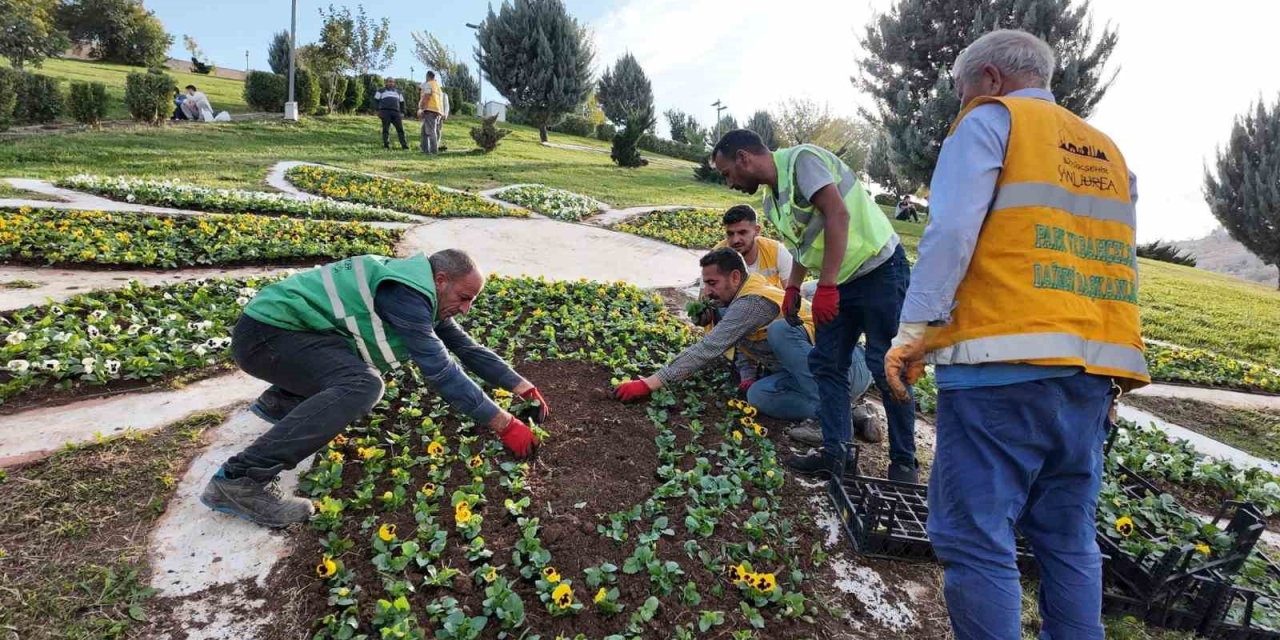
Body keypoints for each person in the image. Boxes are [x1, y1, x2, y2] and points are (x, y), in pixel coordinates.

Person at [882, 30, 1147, 640]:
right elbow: (1115, 263)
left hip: (1001, 366)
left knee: (975, 538)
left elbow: (949, 234)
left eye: (961, 90)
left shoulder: (990, 121)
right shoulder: (1107, 151)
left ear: (992, 79)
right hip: (1091, 375)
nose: (960, 103)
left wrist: (915, 330)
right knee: (1068, 539)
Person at [201, 250, 546, 528]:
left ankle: (283, 402)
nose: (466, 308)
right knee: (362, 385)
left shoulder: (417, 288)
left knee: (352, 373)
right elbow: (441, 370)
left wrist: (523, 387)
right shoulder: (406, 295)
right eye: (464, 297)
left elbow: (466, 348)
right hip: (267, 338)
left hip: (286, 334)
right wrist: (504, 424)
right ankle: (240, 479)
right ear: (441, 280)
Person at [712, 129, 918, 482]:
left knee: (886, 364)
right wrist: (793, 287)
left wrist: (824, 286)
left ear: (744, 158)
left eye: (727, 172)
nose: (729, 182)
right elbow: (803, 245)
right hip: (838, 281)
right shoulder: (771, 201)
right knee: (827, 365)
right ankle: (837, 455)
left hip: (878, 270)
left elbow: (838, 215)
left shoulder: (802, 161)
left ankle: (904, 465)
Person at [613, 248, 873, 426]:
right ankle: (848, 415)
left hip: (847, 367)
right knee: (758, 395)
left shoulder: (751, 302)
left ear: (735, 277)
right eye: (705, 284)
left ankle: (830, 417)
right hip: (810, 378)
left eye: (712, 283)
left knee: (780, 331)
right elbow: (745, 345)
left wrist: (648, 383)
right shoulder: (736, 299)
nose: (707, 291)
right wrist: (748, 377)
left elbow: (708, 348)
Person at [374, 78, 409, 150]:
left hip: (396, 112)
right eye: (390, 82)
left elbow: (402, 102)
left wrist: (402, 112)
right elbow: (375, 100)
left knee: (400, 129)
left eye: (393, 82)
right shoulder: (380, 90)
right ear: (386, 82)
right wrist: (377, 111)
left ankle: (404, 145)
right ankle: (386, 145)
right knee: (386, 129)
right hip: (385, 112)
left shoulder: (398, 92)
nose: (391, 83)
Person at [418, 71, 444, 154]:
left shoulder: (429, 84)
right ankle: (425, 150)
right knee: (424, 131)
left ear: (427, 76)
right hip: (436, 110)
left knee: (431, 131)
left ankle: (433, 151)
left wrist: (421, 108)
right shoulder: (437, 86)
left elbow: (427, 95)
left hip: (430, 110)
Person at [436, 88, 451, 152]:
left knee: (438, 132)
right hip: (432, 116)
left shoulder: (444, 95)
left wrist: (445, 114)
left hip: (440, 116)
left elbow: (446, 105)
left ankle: (436, 145)